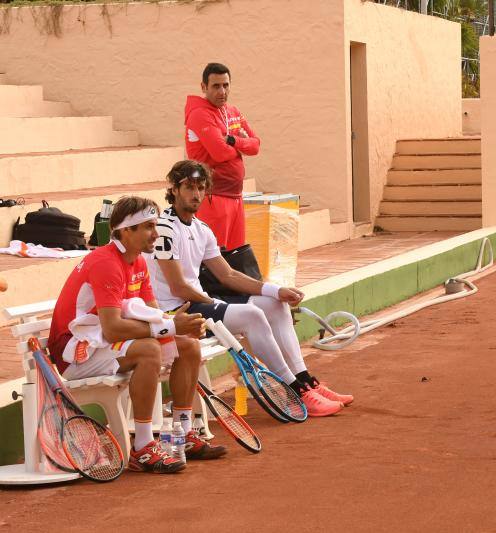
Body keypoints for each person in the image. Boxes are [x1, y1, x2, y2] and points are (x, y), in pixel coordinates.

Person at [145, 160, 352, 417]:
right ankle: (293, 390)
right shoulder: (164, 229)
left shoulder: (201, 229)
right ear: (174, 189)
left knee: (274, 303)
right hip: (177, 311)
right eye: (189, 187)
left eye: (201, 187)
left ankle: (305, 379)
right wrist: (218, 305)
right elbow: (178, 287)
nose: (196, 194)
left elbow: (228, 274)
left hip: (200, 304)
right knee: (252, 315)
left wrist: (275, 290)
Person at [47, 196, 227, 474]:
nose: (155, 233)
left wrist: (183, 325)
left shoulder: (139, 262)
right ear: (125, 231)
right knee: (149, 350)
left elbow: (155, 315)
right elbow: (112, 328)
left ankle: (183, 434)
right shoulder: (105, 262)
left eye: (154, 225)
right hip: (76, 352)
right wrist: (170, 326)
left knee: (189, 346)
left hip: (103, 343)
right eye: (147, 227)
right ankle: (143, 448)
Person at [185, 62, 260, 250]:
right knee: (214, 259)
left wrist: (233, 141)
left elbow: (256, 145)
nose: (222, 91)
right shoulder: (199, 114)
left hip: (235, 195)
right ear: (204, 87)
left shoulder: (232, 112)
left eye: (226, 85)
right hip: (213, 196)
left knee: (235, 256)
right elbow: (219, 153)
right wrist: (242, 145)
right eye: (216, 86)